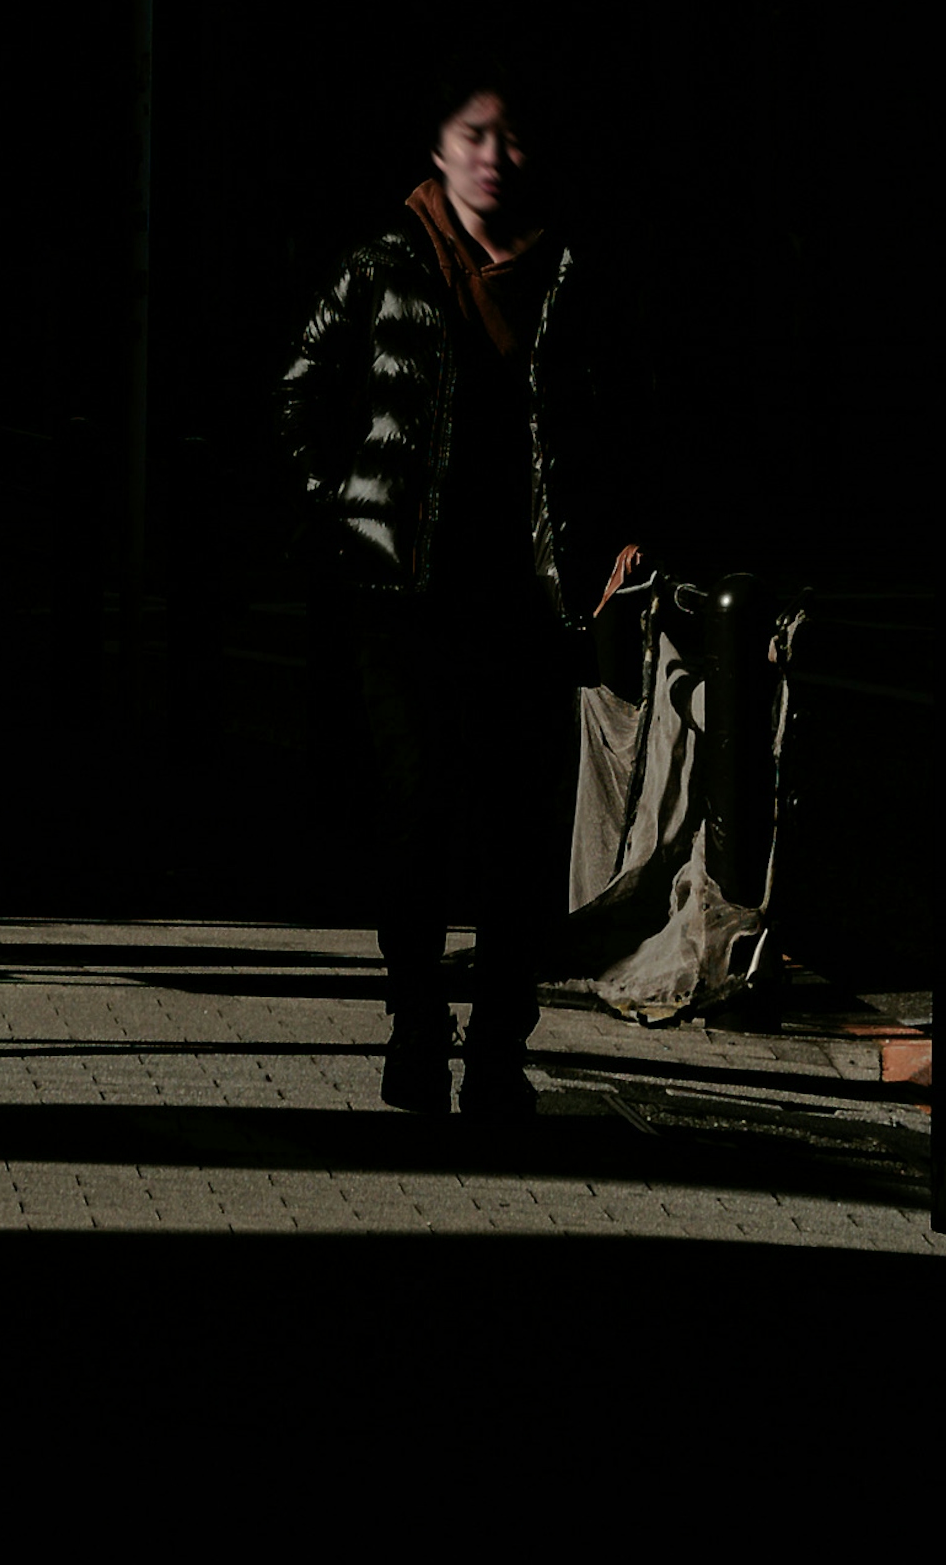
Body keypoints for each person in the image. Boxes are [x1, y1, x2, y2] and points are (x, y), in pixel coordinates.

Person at [279, 61, 646, 1135]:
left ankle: (498, 1052)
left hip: (533, 601)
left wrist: (619, 537)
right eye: (473, 133)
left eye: (511, 136)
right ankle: (412, 1028)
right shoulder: (384, 268)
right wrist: (343, 514)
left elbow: (629, 417)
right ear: (437, 149)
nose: (493, 155)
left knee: (521, 835)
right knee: (419, 814)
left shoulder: (573, 276)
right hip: (404, 597)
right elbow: (300, 397)